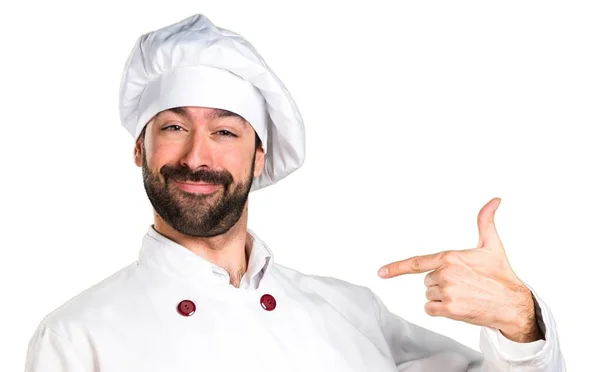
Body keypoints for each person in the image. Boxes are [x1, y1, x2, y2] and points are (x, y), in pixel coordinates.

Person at [24, 14, 565, 371]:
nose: (196, 156)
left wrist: (519, 322)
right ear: (140, 148)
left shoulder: (351, 312)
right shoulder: (75, 339)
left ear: (260, 157)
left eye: (225, 132)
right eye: (172, 127)